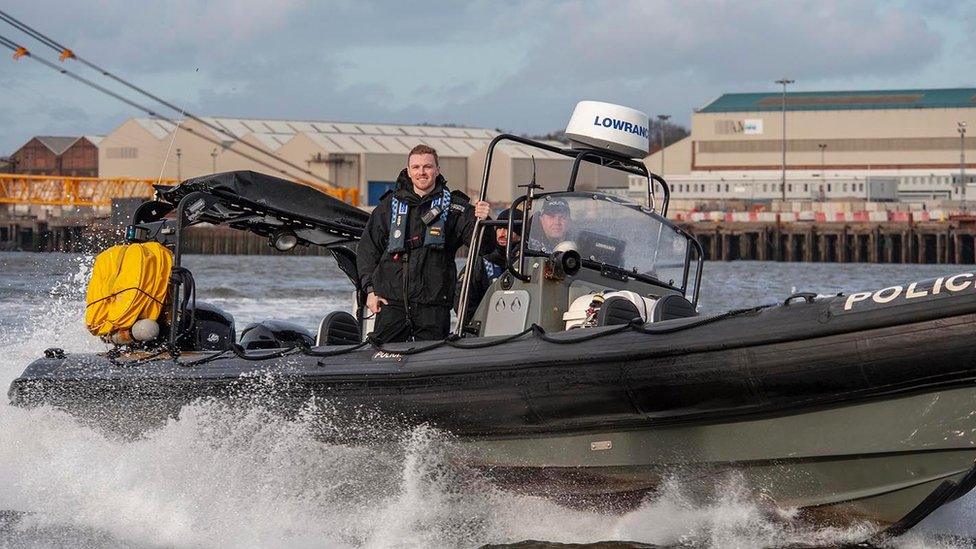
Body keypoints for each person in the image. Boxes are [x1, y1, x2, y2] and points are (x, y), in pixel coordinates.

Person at [357, 144, 490, 343]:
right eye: (416, 167)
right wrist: (370, 291)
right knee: (384, 360)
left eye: (427, 167)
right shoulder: (388, 207)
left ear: (437, 170)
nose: (422, 172)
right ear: (408, 171)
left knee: (431, 360)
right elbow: (368, 251)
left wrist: (485, 221)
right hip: (391, 303)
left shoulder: (455, 208)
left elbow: (484, 247)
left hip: (433, 305)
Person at [455, 208, 521, 327]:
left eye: (508, 229)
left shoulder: (526, 262)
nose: (502, 233)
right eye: (499, 228)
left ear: (520, 235)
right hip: (486, 327)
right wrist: (476, 326)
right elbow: (463, 299)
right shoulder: (482, 261)